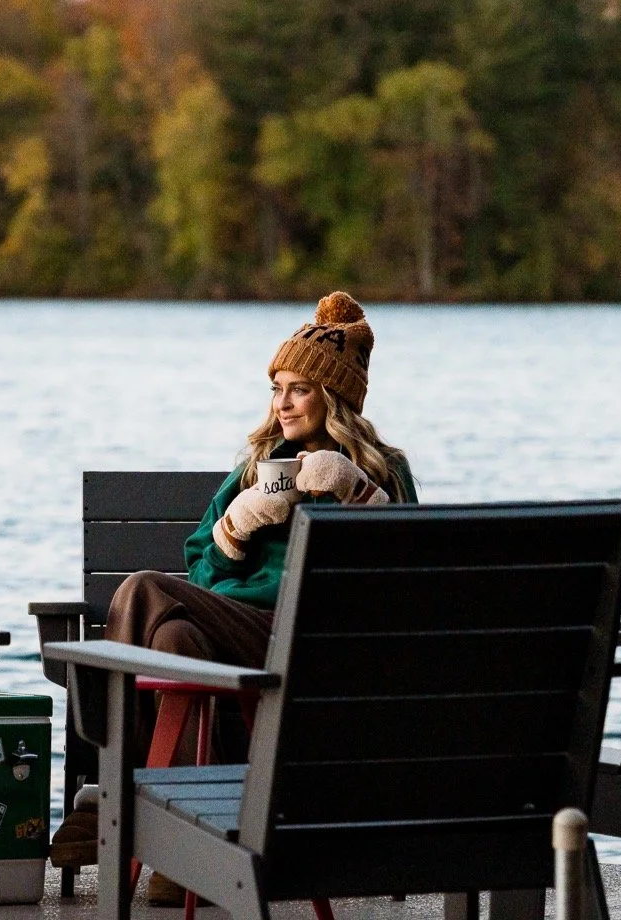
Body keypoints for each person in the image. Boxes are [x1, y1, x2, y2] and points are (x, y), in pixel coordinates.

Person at [48, 292, 417, 901]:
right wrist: (235, 527)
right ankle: (182, 853)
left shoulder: (383, 469)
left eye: (299, 388)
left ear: (335, 397)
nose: (282, 402)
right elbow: (199, 569)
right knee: (173, 636)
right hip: (237, 633)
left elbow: (401, 579)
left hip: (310, 638)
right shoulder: (255, 466)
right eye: (277, 388)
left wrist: (359, 496)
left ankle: (117, 799)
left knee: (141, 589)